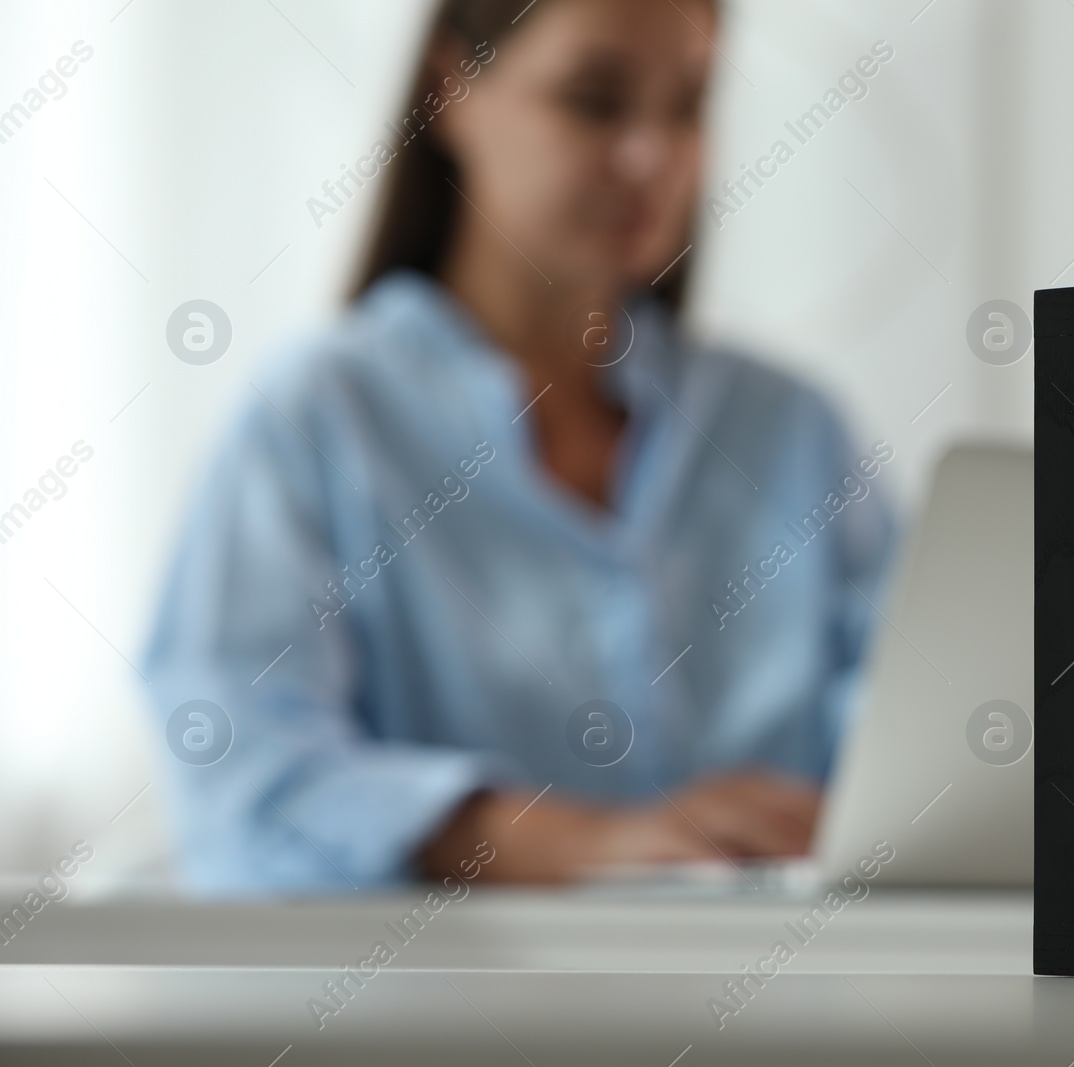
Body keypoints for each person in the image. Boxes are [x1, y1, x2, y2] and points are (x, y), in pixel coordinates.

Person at [143, 0, 894, 894]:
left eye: (687, 105)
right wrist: (589, 845)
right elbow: (241, 774)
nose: (652, 157)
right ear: (452, 87)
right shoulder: (317, 420)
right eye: (594, 99)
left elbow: (928, 746)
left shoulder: (794, 431)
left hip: (792, 1020)